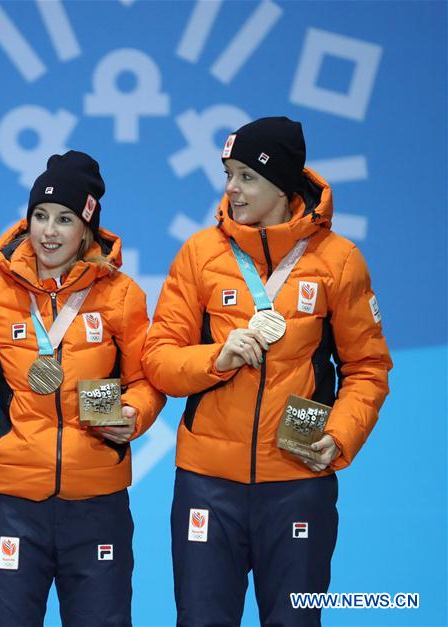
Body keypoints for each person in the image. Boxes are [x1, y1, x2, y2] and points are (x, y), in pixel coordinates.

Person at [143, 117, 392, 626]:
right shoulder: (199, 254)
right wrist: (216, 357)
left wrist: (340, 436)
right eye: (227, 174)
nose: (231, 189)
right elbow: (160, 360)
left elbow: (367, 368)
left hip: (298, 479)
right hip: (207, 484)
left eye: (246, 177)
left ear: (281, 183)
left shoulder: (339, 262)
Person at [0, 150, 166, 627]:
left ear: (87, 228)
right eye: (40, 216)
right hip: (12, 501)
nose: (48, 231)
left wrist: (135, 413)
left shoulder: (121, 294)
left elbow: (147, 379)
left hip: (97, 501)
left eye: (64, 218)